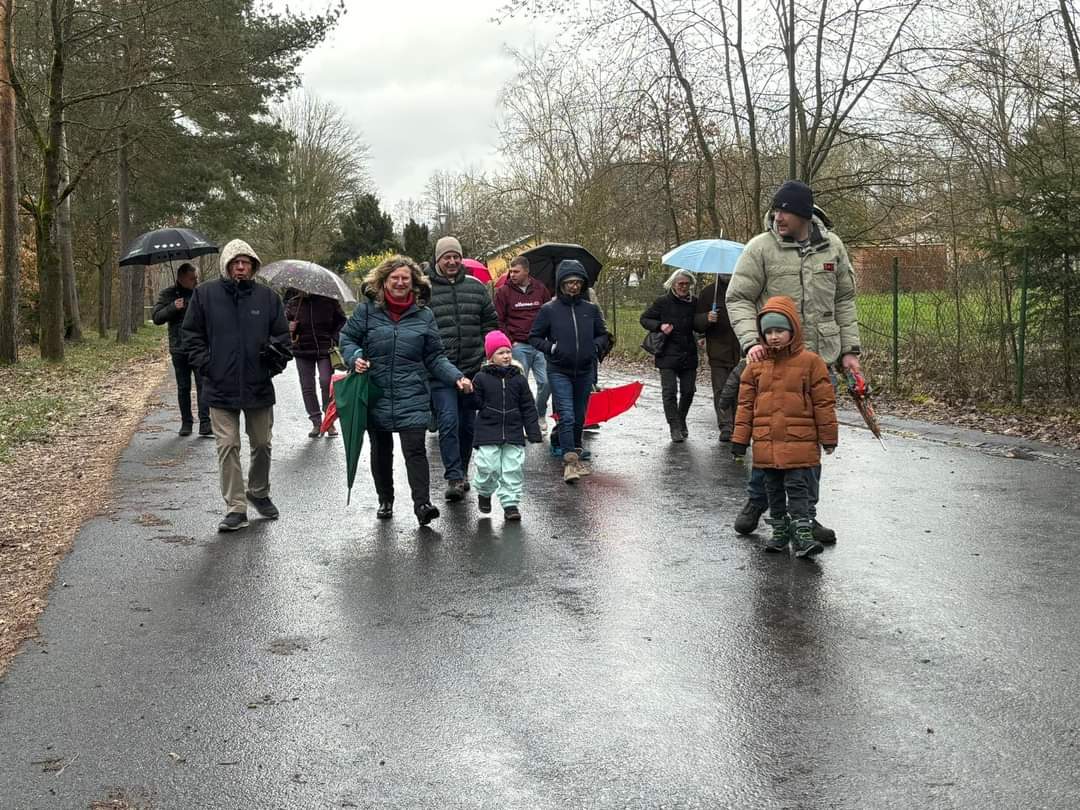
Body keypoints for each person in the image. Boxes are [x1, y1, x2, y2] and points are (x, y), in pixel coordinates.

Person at [726, 180, 860, 545]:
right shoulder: (760, 248)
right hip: (773, 363)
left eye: (784, 211)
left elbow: (845, 300)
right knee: (771, 436)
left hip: (819, 362)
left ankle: (805, 515)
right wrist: (752, 341)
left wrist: (850, 351)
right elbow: (738, 298)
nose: (777, 217)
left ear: (803, 213)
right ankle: (758, 500)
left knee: (807, 444)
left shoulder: (832, 247)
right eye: (775, 211)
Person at [339, 255, 473, 526]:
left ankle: (422, 504)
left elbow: (435, 356)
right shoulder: (366, 311)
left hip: (412, 391)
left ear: (413, 283)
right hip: (375, 391)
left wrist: (456, 377)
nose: (400, 283)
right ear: (383, 281)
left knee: (415, 450)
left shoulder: (424, 315)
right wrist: (355, 357)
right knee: (381, 450)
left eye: (405, 278)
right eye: (394, 278)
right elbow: (347, 338)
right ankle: (385, 499)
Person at [181, 239, 291, 532]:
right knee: (228, 445)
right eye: (236, 262)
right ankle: (236, 508)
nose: (241, 267)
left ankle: (259, 491)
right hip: (219, 385)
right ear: (226, 266)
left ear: (253, 266)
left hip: (258, 385)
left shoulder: (268, 298)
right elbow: (191, 335)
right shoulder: (205, 295)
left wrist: (273, 361)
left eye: (246, 262)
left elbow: (283, 338)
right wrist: (207, 365)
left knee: (262, 444)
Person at [730, 297, 838, 558]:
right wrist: (740, 440)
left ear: (793, 330)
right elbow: (745, 407)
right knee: (774, 490)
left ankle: (802, 534)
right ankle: (780, 532)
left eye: (780, 330)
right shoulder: (755, 367)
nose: (774, 336)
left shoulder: (811, 362)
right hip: (766, 442)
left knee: (799, 489)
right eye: (768, 332)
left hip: (799, 441)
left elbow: (823, 403)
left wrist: (828, 437)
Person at [426, 236, 498, 502]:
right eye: (447, 257)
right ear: (438, 259)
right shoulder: (425, 291)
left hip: (472, 368)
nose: (452, 261)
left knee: (468, 426)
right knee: (448, 422)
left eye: (456, 256)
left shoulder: (476, 288)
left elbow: (490, 323)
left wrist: (488, 352)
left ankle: (463, 471)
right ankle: (454, 477)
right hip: (440, 370)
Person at [529, 259, 609, 484]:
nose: (574, 286)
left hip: (584, 370)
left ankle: (576, 449)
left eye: (578, 282)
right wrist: (552, 348)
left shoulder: (590, 310)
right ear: (561, 284)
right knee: (566, 414)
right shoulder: (549, 310)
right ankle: (570, 461)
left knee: (579, 415)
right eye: (569, 282)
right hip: (559, 370)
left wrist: (594, 347)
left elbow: (603, 334)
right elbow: (534, 337)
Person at [468, 330, 543, 521]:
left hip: (513, 431)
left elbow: (528, 406)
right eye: (500, 353)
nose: (506, 356)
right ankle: (484, 492)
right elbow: (475, 404)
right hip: (487, 430)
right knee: (488, 467)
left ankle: (510, 504)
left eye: (508, 352)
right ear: (491, 357)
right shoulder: (481, 378)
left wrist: (533, 430)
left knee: (512, 469)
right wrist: (468, 392)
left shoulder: (519, 379)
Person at [640, 269, 699, 443]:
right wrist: (660, 326)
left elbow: (699, 323)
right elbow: (644, 319)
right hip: (666, 353)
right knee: (669, 392)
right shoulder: (662, 302)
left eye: (687, 284)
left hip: (688, 353)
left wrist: (703, 332)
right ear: (673, 284)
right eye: (680, 283)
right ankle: (674, 426)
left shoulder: (695, 302)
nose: (683, 287)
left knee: (688, 391)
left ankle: (681, 419)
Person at [493, 254, 551, 432]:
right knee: (519, 384)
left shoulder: (540, 289)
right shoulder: (503, 292)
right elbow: (499, 320)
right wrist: (510, 342)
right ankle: (522, 420)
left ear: (526, 271)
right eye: (511, 271)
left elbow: (550, 313)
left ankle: (539, 413)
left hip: (540, 344)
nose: (512, 275)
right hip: (519, 345)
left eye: (516, 271)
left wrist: (548, 338)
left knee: (546, 382)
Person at [152, 263, 210, 436]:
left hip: (199, 347)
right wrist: (172, 307)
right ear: (181, 278)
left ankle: (205, 422)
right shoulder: (168, 294)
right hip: (178, 348)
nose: (195, 281)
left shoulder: (200, 293)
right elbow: (156, 318)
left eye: (196, 278)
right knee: (183, 387)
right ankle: (186, 423)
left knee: (203, 384)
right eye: (192, 278)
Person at [286, 291, 346, 438]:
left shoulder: (329, 301)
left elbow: (342, 322)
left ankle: (328, 420)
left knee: (326, 382)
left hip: (325, 349)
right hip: (302, 350)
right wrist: (289, 326)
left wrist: (334, 338)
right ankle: (316, 422)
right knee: (307, 386)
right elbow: (281, 324)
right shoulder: (294, 303)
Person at [694, 276, 741, 442]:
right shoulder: (709, 293)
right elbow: (696, 323)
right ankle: (726, 426)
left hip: (742, 350)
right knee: (721, 389)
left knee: (740, 390)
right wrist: (706, 318)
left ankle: (739, 426)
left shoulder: (744, 288)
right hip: (718, 350)